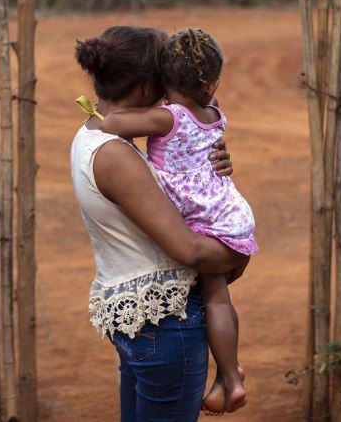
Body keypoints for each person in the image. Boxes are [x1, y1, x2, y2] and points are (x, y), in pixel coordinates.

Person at [70, 25, 249, 422]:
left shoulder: (96, 133)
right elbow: (189, 250)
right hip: (166, 328)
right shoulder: (115, 153)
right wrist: (238, 256)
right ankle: (231, 374)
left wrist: (205, 154)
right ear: (148, 85)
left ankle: (229, 375)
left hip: (142, 321)